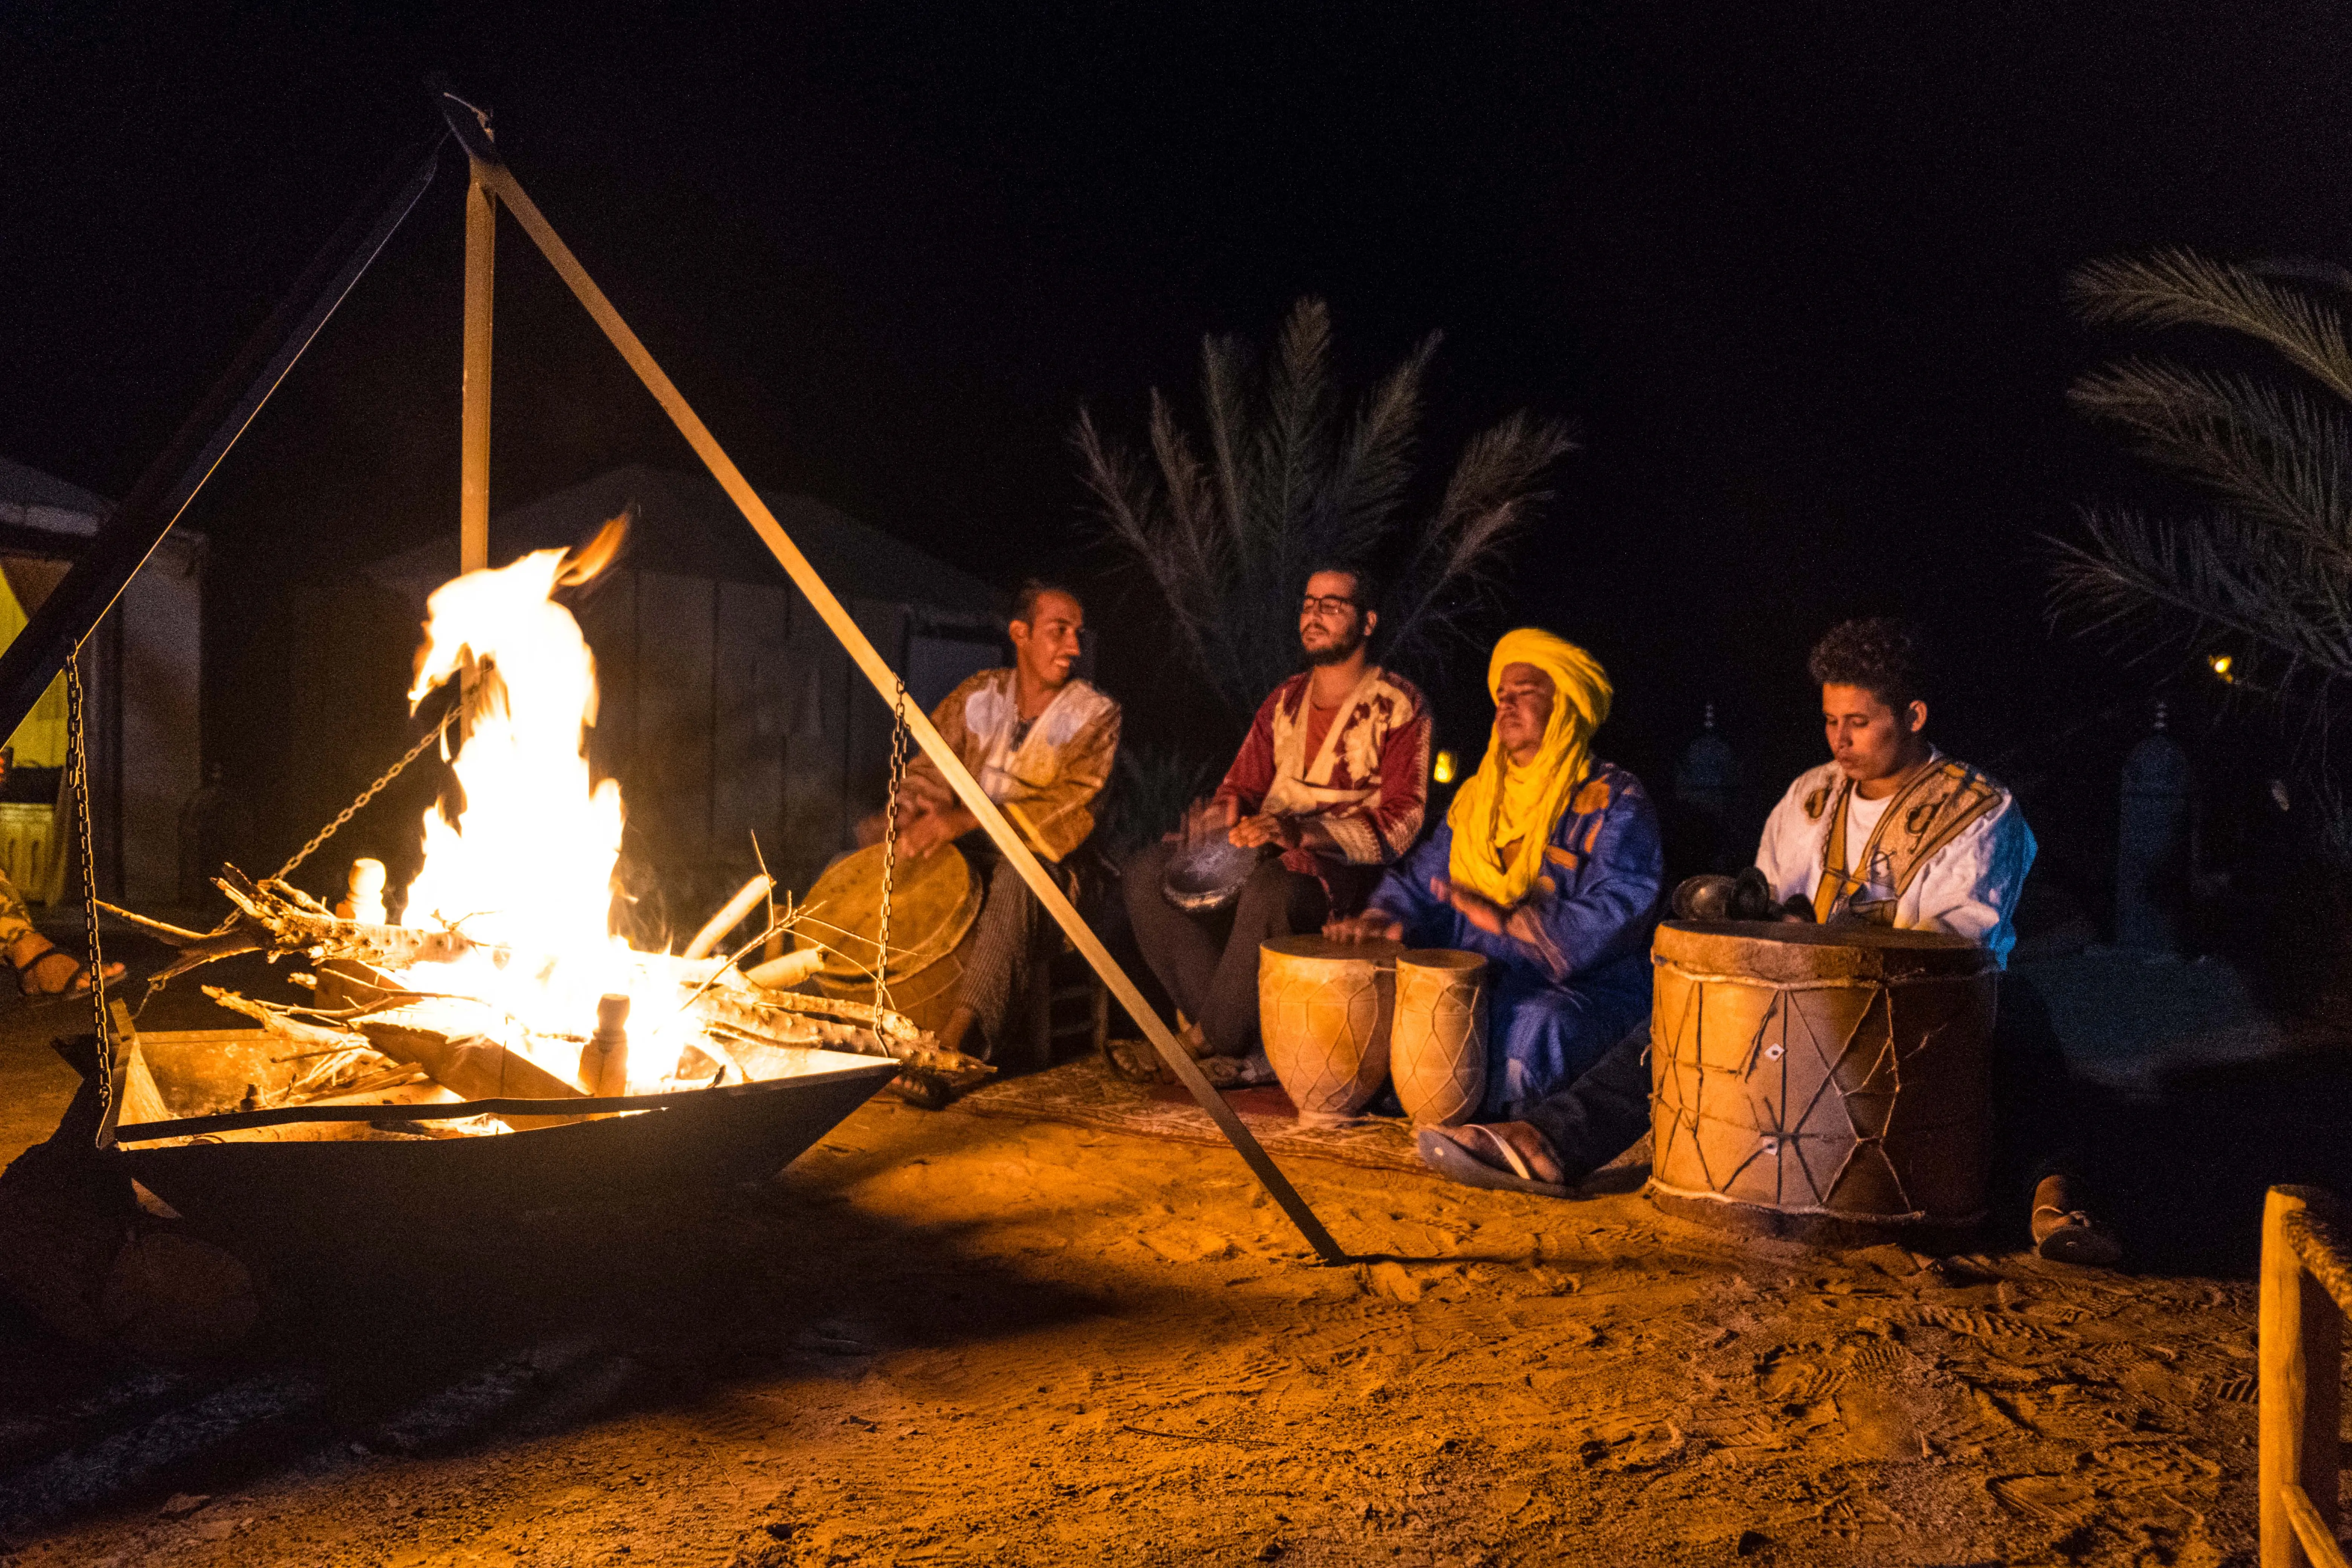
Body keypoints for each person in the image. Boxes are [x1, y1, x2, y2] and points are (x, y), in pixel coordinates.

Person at [1418, 617, 2118, 1265]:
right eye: (1830, 721)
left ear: (1914, 716)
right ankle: (1551, 1142)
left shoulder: (1978, 809)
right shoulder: (1811, 794)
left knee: (2022, 1022)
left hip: (1917, 1028)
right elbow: (1770, 902)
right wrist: (1752, 917)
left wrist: (1818, 937)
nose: (1840, 740)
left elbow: (1948, 948)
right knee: (1681, 1012)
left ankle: (2057, 1202)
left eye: (1859, 723)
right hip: (1796, 1015)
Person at [1326, 629, 1663, 1116]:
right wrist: (1382, 918)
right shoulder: (1477, 801)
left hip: (1581, 991)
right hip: (1481, 982)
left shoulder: (1615, 800)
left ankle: (1513, 1127)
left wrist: (1513, 923)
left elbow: (1622, 905)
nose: (1507, 706)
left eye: (1527, 694)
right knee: (1397, 998)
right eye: (1502, 696)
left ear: (1567, 704)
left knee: (1538, 1026)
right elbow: (1424, 884)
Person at [1122, 565, 1430, 1083]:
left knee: (1273, 887)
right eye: (1309, 604)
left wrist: (1301, 833)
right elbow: (1240, 788)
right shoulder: (1283, 702)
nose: (1314, 614)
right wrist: (1217, 821)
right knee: (1146, 872)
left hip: (1337, 880)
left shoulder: (1400, 707)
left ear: (1369, 622)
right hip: (1264, 859)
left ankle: (1204, 1041)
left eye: (1332, 605)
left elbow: (1404, 822)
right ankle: (1239, 1042)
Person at [859, 580, 1119, 1070]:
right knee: (859, 863)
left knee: (1019, 878)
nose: (1075, 648)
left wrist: (959, 822)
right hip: (970, 859)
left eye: (1078, 634)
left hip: (1057, 878)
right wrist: (910, 814)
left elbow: (1069, 810)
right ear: (1020, 634)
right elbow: (930, 769)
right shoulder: (978, 696)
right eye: (1059, 631)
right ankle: (851, 1021)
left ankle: (960, 1042)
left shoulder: (1095, 716)